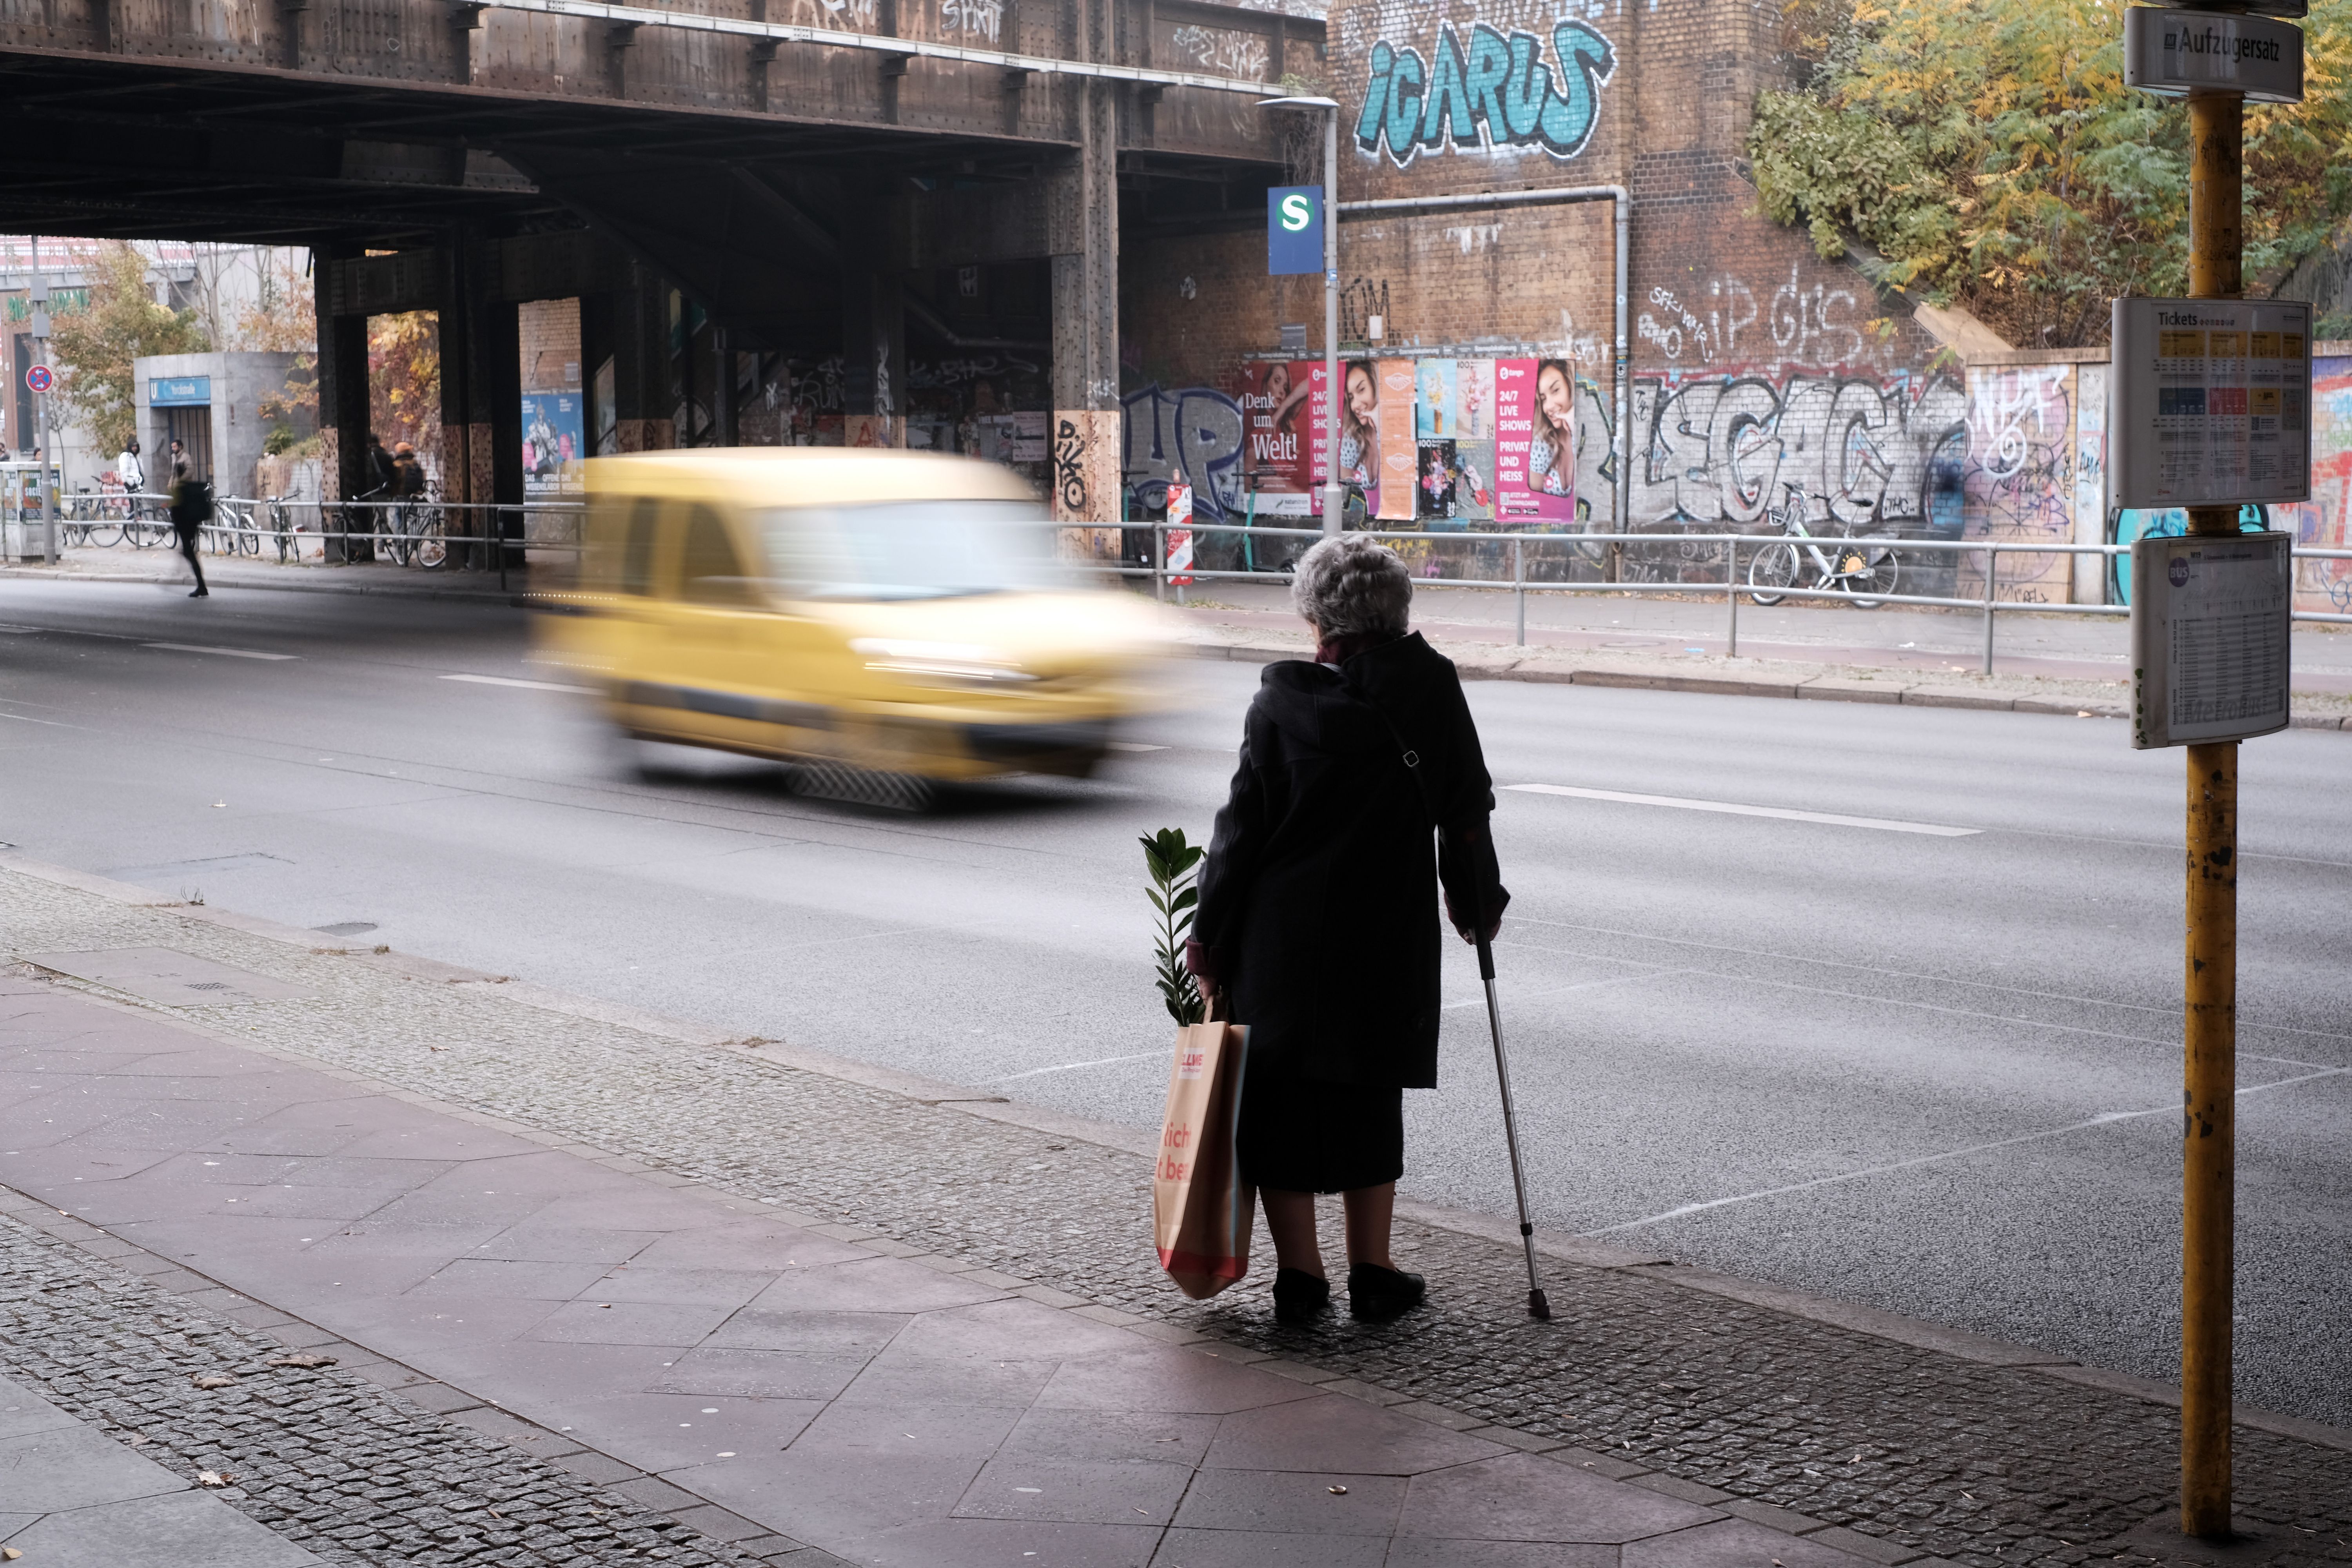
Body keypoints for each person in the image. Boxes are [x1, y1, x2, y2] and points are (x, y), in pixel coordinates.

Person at [1185, 534, 1508, 1327]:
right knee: (1369, 1089)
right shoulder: (1430, 687)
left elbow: (1239, 830)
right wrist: (1475, 904)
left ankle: (1301, 1277)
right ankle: (1374, 1271)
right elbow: (1464, 811)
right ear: (1397, 610)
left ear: (1313, 618)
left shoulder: (1279, 702)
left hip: (1280, 935)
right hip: (1383, 930)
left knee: (1280, 1100)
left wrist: (1210, 939)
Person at [1530, 360, 1575, 497]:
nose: (1548, 406)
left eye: (1555, 391)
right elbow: (1534, 501)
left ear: (1570, 387)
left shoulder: (1589, 434)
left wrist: (1574, 430)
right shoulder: (1543, 444)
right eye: (1543, 399)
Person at [167, 457, 209, 599]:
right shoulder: (190, 488)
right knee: (189, 553)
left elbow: (176, 511)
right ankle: (201, 585)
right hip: (192, 526)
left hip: (185, 527)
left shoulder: (179, 489)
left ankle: (202, 586)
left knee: (190, 555)